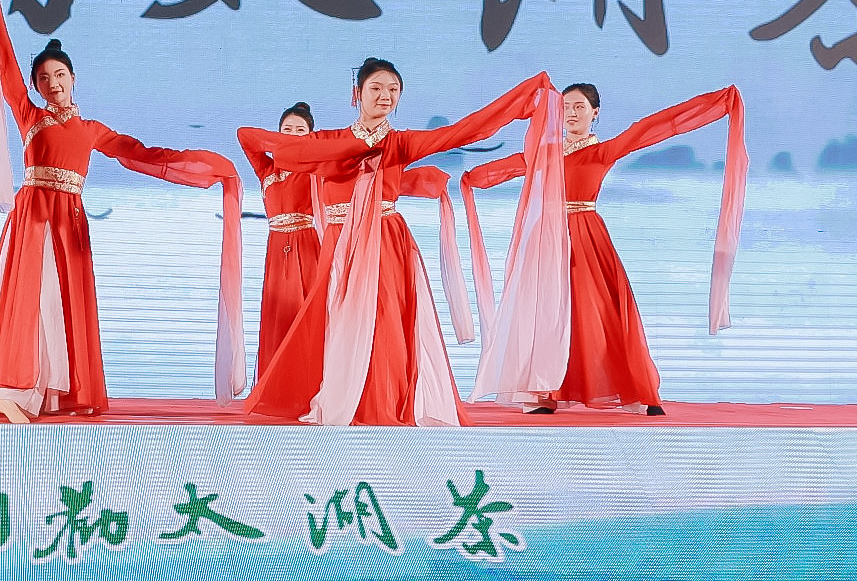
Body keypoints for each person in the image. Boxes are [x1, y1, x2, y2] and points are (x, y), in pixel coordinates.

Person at [0, 0, 242, 423]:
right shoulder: (30, 116)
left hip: (70, 219)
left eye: (59, 74)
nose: (52, 83)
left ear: (74, 77)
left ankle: (51, 394)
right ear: (35, 86)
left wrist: (204, 168)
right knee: (31, 297)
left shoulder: (92, 130)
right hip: (34, 214)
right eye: (43, 78)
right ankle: (12, 388)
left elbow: (142, 154)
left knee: (63, 303)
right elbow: (5, 63)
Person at [240, 62, 562, 427]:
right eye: (376, 88)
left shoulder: (401, 142)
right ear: (357, 94)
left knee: (388, 323)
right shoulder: (326, 140)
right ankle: (344, 398)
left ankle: (386, 402)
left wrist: (523, 98)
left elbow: (463, 131)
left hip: (386, 238)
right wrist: (359, 145)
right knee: (338, 324)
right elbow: (275, 149)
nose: (385, 96)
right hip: (340, 242)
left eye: (393, 90)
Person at [461, 80, 746, 416]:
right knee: (548, 313)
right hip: (548, 239)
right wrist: (468, 178)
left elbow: (651, 129)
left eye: (579, 107)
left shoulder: (602, 151)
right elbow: (505, 168)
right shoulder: (544, 153)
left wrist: (713, 104)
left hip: (586, 234)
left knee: (603, 313)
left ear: (594, 113)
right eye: (564, 107)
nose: (571, 113)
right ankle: (544, 392)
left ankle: (638, 389)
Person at [239, 104, 325, 383]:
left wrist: (307, 146)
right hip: (277, 250)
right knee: (279, 317)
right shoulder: (267, 169)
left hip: (308, 247)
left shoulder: (317, 166)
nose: (292, 134)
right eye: (287, 129)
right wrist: (284, 144)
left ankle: (310, 384)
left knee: (306, 316)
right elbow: (244, 135)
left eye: (300, 130)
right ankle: (278, 384)